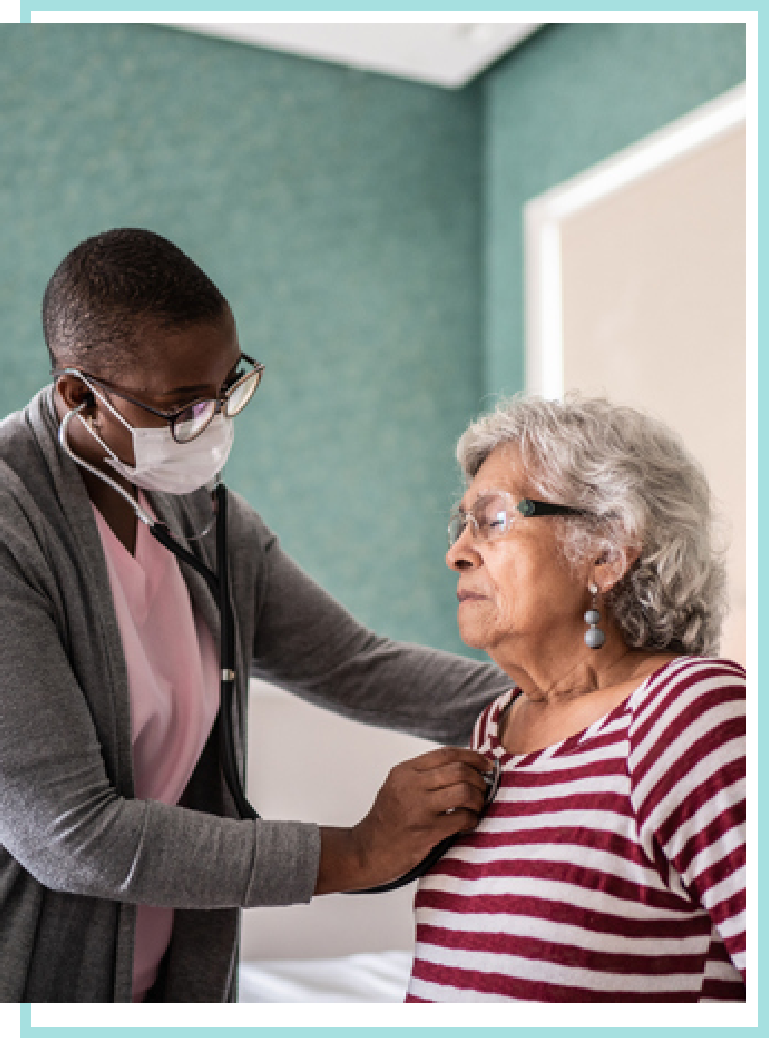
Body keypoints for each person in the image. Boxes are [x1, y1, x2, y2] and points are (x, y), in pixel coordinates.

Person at [0, 228, 510, 1003]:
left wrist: (564, 701)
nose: (209, 424)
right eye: (178, 405)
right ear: (79, 395)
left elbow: (351, 664)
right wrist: (357, 852)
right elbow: (75, 837)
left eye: (226, 387)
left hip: (172, 974)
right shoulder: (12, 530)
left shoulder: (201, 515)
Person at [406, 394, 746, 1003]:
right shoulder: (494, 729)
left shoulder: (692, 715)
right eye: (462, 525)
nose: (456, 552)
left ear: (607, 553)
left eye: (495, 520)